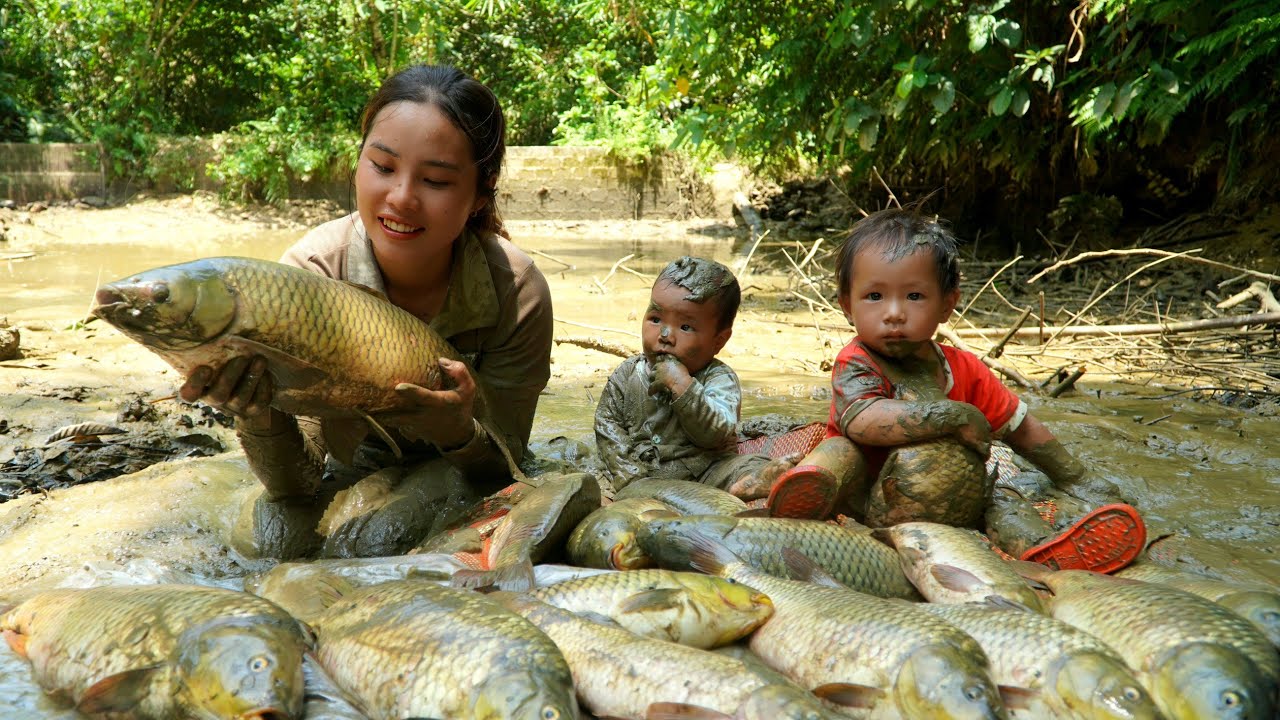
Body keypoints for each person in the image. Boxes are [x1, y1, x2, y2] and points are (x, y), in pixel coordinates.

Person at [179, 64, 554, 560]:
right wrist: (256, 412)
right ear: (357, 164)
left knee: (405, 535)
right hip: (351, 471)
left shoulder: (517, 290)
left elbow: (505, 467)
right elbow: (298, 483)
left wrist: (459, 432)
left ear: (480, 194)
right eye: (382, 167)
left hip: (459, 472)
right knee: (272, 539)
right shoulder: (306, 277)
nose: (401, 198)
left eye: (436, 180)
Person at [768, 207, 1145, 572]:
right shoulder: (856, 360)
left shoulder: (964, 368)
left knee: (1002, 499)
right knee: (838, 451)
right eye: (875, 297)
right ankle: (805, 496)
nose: (894, 312)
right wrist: (952, 415)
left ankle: (1041, 550)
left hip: (952, 498)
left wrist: (1074, 477)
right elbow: (862, 421)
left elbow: (1020, 427)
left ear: (948, 304)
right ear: (847, 306)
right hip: (861, 494)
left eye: (914, 296)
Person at [594, 256, 798, 494]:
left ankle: (758, 482)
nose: (666, 335)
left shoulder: (719, 378)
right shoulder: (627, 374)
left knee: (745, 464)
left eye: (685, 327)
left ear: (718, 341)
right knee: (594, 475)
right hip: (638, 472)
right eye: (656, 319)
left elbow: (715, 434)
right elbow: (607, 426)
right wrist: (628, 475)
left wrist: (683, 386)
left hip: (705, 473)